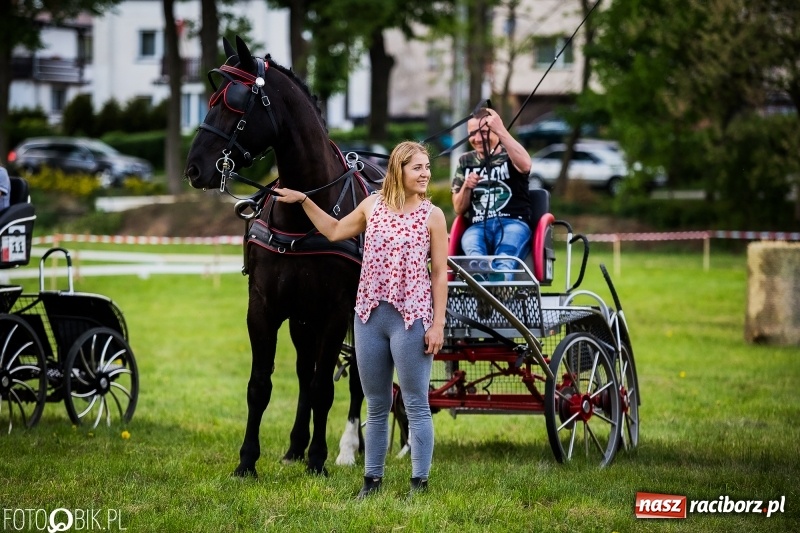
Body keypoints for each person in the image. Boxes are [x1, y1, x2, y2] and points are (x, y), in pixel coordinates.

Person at [275, 141, 448, 498]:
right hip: (369, 317)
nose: (426, 174)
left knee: (415, 401)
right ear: (399, 169)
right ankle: (371, 481)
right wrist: (305, 201)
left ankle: (419, 482)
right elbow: (336, 231)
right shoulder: (372, 206)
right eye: (418, 167)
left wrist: (438, 324)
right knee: (376, 402)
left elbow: (440, 275)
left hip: (411, 318)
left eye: (427, 167)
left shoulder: (433, 216)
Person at [451, 108, 532, 272]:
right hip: (478, 226)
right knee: (475, 262)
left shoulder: (510, 154)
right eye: (472, 133)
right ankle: (482, 287)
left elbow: (526, 165)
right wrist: (466, 187)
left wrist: (501, 129)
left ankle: (498, 292)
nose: (478, 139)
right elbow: (458, 208)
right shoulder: (465, 161)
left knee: (504, 261)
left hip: (513, 223)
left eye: (484, 132)